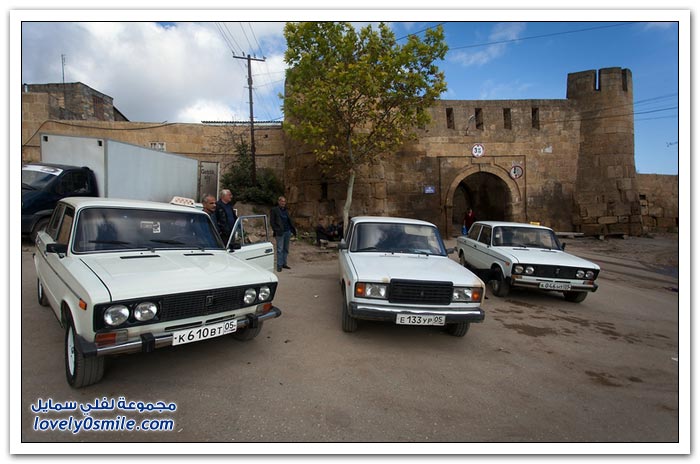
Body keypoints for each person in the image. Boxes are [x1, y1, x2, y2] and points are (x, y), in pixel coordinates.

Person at [270, 196, 296, 272]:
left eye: (284, 201)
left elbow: (289, 220)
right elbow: (272, 222)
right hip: (280, 232)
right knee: (280, 249)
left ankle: (284, 263)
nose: (283, 203)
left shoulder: (286, 210)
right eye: (282, 201)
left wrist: (292, 230)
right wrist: (276, 230)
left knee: (286, 249)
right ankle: (279, 265)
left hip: (287, 231)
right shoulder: (274, 210)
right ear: (279, 202)